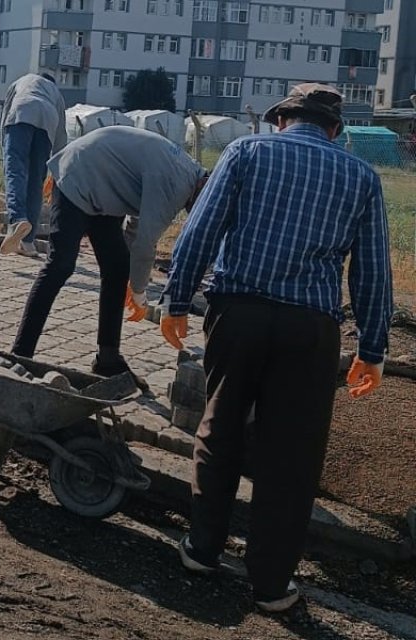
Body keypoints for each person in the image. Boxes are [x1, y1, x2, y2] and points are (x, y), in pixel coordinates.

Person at [161, 83, 392, 613]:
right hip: (309, 328)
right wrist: (372, 348)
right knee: (291, 455)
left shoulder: (246, 151)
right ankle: (269, 585)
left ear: (283, 119)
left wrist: (176, 299)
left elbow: (202, 227)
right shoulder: (361, 176)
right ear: (336, 129)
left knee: (219, 427)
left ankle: (202, 549)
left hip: (237, 313)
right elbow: (373, 270)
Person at [10, 125, 207, 380]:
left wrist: (131, 278)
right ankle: (20, 354)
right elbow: (146, 244)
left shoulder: (187, 174)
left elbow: (137, 227)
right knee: (61, 264)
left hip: (103, 188)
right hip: (78, 177)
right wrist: (138, 291)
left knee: (116, 269)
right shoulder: (177, 184)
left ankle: (108, 359)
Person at [0, 73, 68, 257]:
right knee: (36, 181)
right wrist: (57, 168)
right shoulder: (56, 94)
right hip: (48, 121)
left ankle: (17, 220)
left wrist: (4, 144)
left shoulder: (23, 80)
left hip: (22, 112)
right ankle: (27, 243)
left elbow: (6, 113)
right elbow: (61, 134)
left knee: (15, 171)